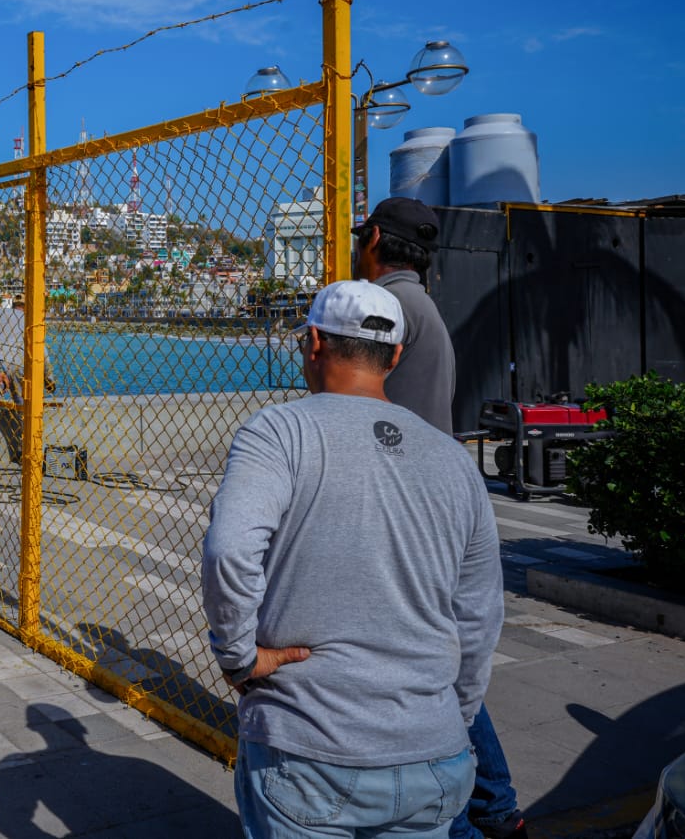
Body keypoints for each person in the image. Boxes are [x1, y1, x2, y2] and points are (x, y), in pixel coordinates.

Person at [202, 279, 503, 839]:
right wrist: (450, 717)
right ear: (395, 355)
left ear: (314, 343)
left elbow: (229, 550)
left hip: (308, 747)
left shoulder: (279, 431)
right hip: (433, 757)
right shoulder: (454, 460)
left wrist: (238, 657)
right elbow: (480, 615)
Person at [357, 197, 527, 839]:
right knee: (438, 665)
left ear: (374, 238)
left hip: (400, 505)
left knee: (429, 674)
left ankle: (485, 806)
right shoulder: (421, 305)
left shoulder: (387, 306)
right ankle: (493, 807)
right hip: (430, 499)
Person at [354, 196, 456, 432]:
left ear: (374, 237)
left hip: (389, 451)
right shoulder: (422, 305)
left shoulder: (381, 303)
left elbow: (348, 393)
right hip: (426, 448)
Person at [0, 292, 56, 464]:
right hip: (19, 363)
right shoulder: (30, 320)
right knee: (23, 406)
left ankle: (5, 428)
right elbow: (42, 351)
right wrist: (49, 378)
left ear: (14, 305)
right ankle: (25, 451)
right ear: (28, 307)